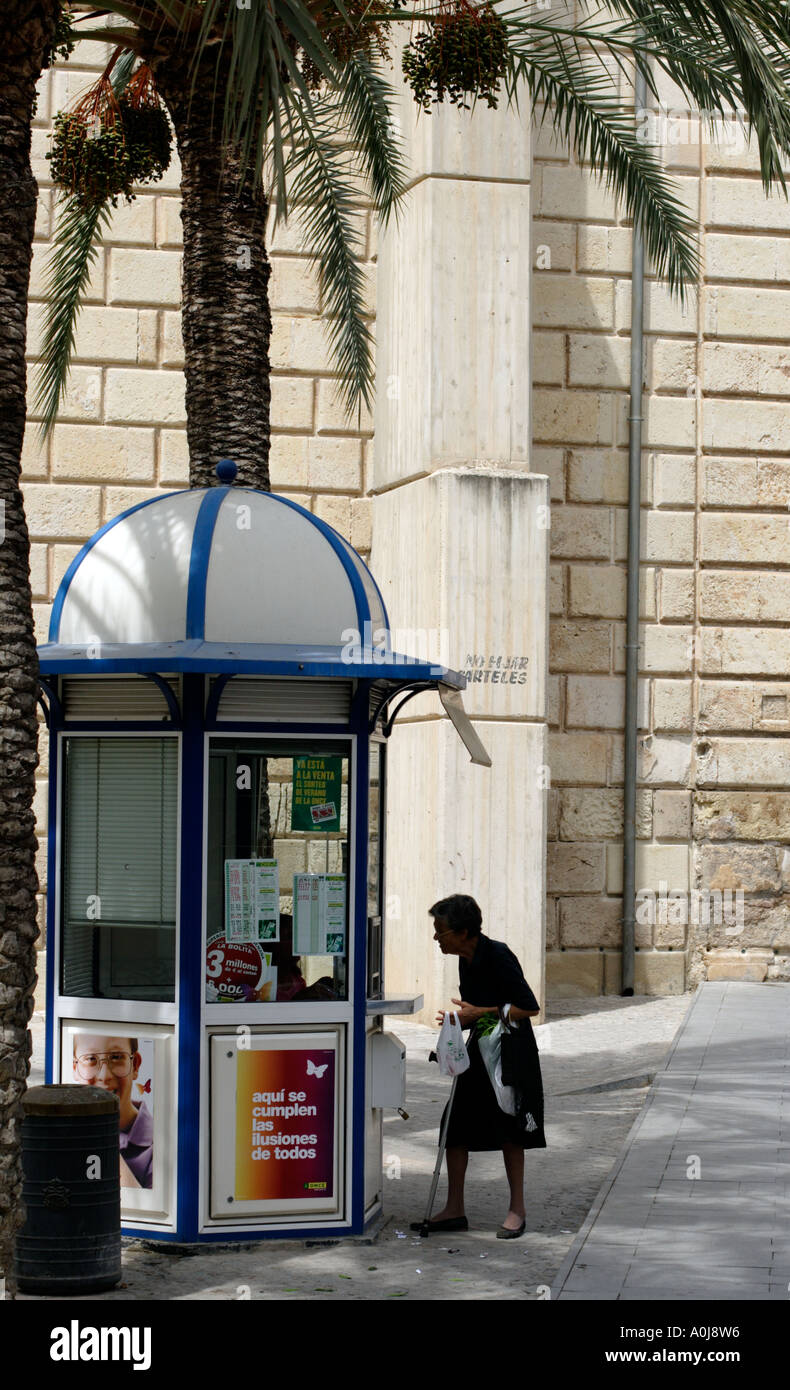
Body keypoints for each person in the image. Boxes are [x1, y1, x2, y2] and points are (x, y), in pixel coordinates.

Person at [411, 894, 545, 1239]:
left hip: (510, 1053)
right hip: (479, 1049)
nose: (436, 938)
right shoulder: (464, 960)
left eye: (441, 932)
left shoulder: (498, 954)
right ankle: (455, 1208)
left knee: (510, 1129)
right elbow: (474, 1009)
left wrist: (477, 1014)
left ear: (464, 931)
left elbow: (528, 1007)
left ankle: (518, 1209)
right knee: (454, 1126)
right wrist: (455, 1027)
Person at [73, 1034, 154, 1190]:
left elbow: (144, 1211)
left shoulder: (160, 1144)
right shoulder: (64, 1131)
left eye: (116, 1057)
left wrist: (103, 1137)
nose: (104, 1076)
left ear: (135, 1065)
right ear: (75, 1068)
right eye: (91, 1059)